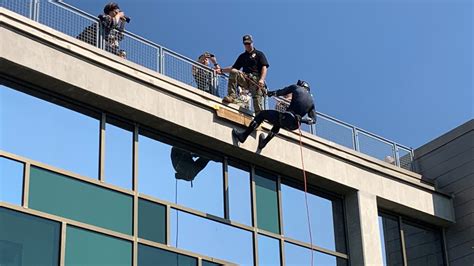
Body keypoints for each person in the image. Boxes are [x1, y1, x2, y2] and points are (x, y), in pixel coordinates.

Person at [232, 80, 316, 149]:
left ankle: (244, 135)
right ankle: (264, 142)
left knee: (262, 114)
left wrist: (270, 93)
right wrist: (302, 120)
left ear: (301, 85)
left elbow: (281, 92)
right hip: (294, 125)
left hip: (287, 117)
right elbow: (313, 120)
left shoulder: (296, 87)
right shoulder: (312, 102)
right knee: (278, 123)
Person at [217, 35, 269, 114]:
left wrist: (262, 79)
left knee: (257, 103)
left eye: (249, 43)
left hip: (256, 81)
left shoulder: (259, 54)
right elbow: (233, 68)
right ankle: (232, 96)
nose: (248, 45)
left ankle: (259, 116)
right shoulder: (242, 56)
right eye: (246, 44)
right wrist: (221, 70)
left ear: (252, 42)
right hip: (245, 78)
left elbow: (264, 67)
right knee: (234, 71)